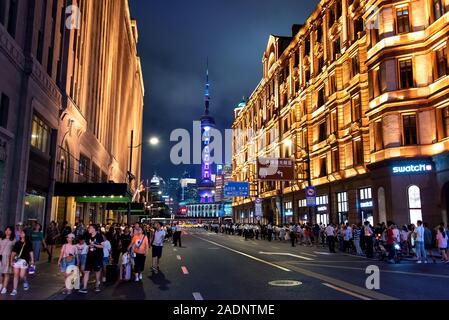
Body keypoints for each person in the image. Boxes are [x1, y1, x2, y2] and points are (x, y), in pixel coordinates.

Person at [79, 225, 104, 293]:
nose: (88, 229)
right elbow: (87, 244)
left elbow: (102, 246)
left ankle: (97, 286)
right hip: (89, 256)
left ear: (94, 229)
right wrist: (88, 246)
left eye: (90, 228)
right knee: (86, 271)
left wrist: (95, 245)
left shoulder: (99, 236)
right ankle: (84, 288)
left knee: (97, 271)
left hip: (97, 256)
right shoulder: (88, 236)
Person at [10, 229, 34, 296]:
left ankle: (25, 281)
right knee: (15, 275)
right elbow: (13, 253)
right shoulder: (17, 243)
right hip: (17, 260)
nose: (21, 234)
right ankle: (14, 290)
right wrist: (11, 260)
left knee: (21, 275)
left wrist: (32, 260)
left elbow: (31, 252)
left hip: (24, 260)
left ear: (25, 234)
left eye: (22, 233)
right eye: (20, 233)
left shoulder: (29, 243)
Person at [0, 226, 16, 294]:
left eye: (9, 230)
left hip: (8, 258)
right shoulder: (1, 238)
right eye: (6, 230)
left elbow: (15, 251)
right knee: (0, 273)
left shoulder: (14, 240)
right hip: (0, 257)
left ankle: (4, 287)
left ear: (12, 231)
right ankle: (0, 284)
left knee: (6, 273)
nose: (7, 231)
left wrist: (13, 259)